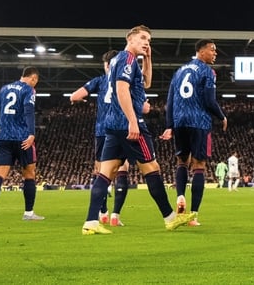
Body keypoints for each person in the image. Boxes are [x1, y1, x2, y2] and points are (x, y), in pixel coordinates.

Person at [81, 24, 194, 235]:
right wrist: (133, 121)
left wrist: (148, 59)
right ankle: (170, 218)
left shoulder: (121, 60)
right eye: (142, 38)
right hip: (129, 125)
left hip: (112, 125)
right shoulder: (127, 59)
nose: (146, 43)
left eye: (149, 40)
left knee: (106, 172)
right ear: (130, 39)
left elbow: (146, 83)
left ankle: (91, 221)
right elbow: (122, 89)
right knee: (151, 168)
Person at [162, 39, 228, 227]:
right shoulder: (208, 71)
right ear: (201, 51)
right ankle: (194, 215)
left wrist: (169, 125)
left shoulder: (179, 71)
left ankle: (180, 196)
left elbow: (170, 101)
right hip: (199, 121)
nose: (215, 53)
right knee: (199, 166)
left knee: (181, 162)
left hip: (179, 122)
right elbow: (209, 100)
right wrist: (221, 116)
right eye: (212, 50)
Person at [70, 49, 134, 227]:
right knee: (123, 170)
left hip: (102, 130)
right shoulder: (125, 80)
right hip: (120, 128)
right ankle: (116, 215)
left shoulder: (99, 81)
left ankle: (102, 212)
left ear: (106, 65)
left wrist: (79, 100)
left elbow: (75, 96)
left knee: (101, 172)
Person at [0, 67, 43, 222]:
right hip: (23, 138)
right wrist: (31, 133)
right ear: (33, 78)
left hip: (4, 138)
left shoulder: (4, 89)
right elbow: (29, 111)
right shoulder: (28, 90)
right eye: (35, 81)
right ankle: (28, 213)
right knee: (29, 173)